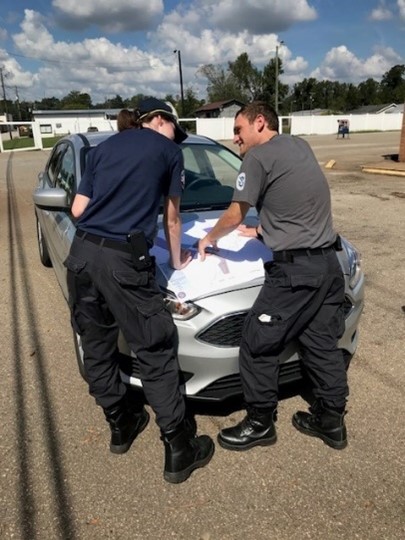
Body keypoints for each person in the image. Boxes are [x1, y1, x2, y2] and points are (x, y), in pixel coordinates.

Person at [64, 97, 214, 483]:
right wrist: (178, 261)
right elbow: (172, 216)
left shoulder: (103, 148)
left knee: (95, 344)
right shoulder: (167, 152)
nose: (175, 139)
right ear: (160, 120)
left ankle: (120, 423)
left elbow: (79, 210)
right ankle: (179, 448)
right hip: (123, 262)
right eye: (174, 131)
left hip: (81, 255)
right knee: (155, 347)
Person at [198, 101, 348, 451]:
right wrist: (266, 230)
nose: (235, 139)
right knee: (320, 343)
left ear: (260, 122)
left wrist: (207, 239)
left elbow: (235, 214)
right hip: (328, 264)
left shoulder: (257, 157)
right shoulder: (298, 145)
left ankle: (260, 422)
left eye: (238, 130)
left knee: (256, 341)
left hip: (295, 273)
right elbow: (298, 199)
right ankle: (332, 420)